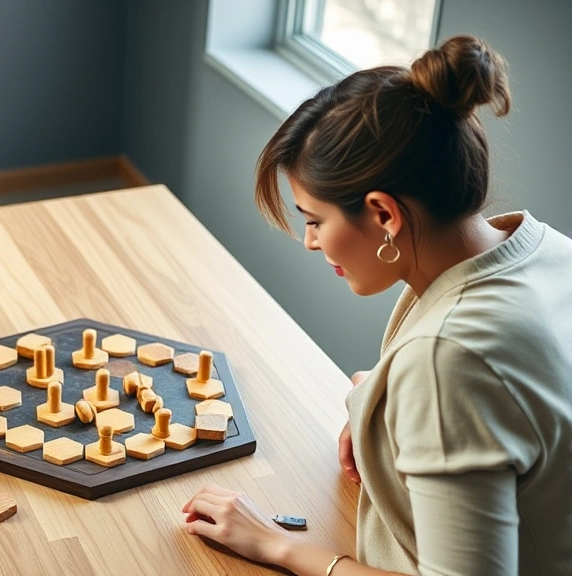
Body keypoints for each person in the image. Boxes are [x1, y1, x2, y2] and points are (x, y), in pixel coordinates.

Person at [183, 35, 572, 575]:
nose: (310, 241)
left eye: (314, 219)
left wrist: (280, 546)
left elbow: (460, 370)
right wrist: (386, 407)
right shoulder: (550, 251)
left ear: (384, 215)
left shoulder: (446, 360)